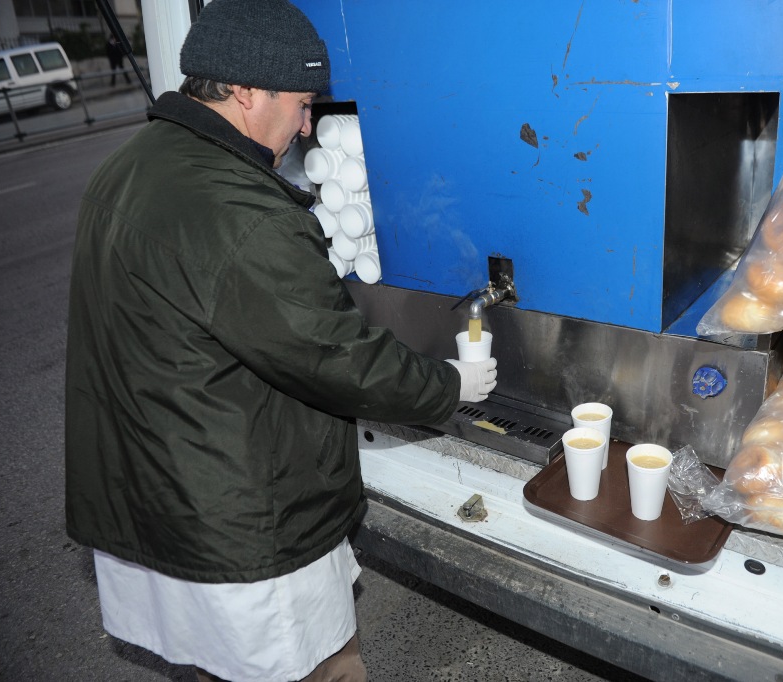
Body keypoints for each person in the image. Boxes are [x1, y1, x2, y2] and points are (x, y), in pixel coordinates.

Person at [64, 1, 497, 680]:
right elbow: (333, 354)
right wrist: (448, 385)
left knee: (222, 666)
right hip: (238, 520)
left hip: (149, 489)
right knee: (324, 662)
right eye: (300, 104)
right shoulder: (238, 212)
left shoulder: (130, 167)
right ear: (244, 91)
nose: (306, 126)